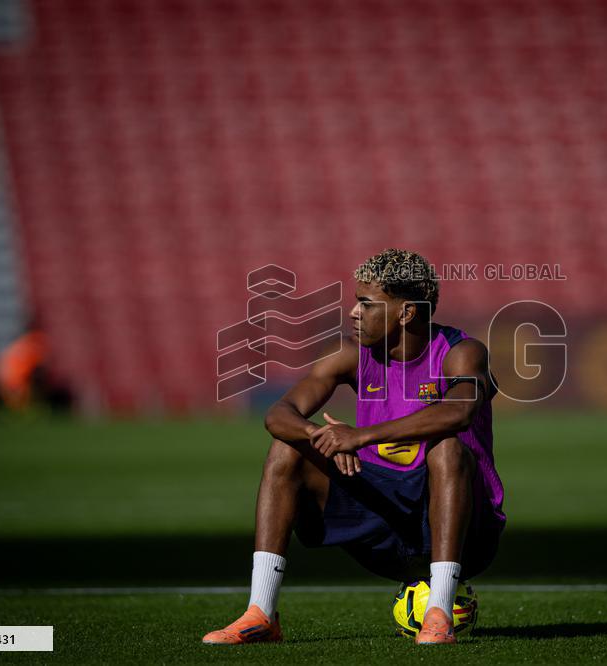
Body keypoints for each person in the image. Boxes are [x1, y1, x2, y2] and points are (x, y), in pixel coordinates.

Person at [203, 248, 505, 645]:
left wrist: (361, 436)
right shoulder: (348, 354)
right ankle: (261, 613)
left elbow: (459, 413)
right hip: (387, 522)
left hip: (468, 532)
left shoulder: (462, 352)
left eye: (366, 303)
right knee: (286, 449)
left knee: (446, 448)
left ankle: (439, 615)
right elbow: (279, 413)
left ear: (406, 312)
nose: (353, 313)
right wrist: (322, 438)